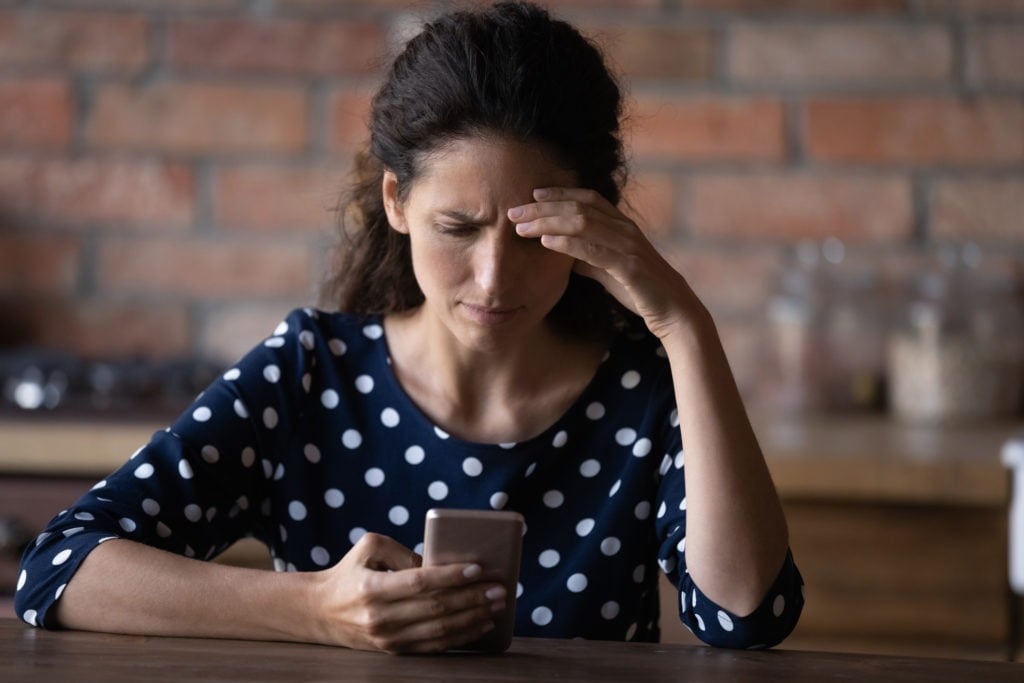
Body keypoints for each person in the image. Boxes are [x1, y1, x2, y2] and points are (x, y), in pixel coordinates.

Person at [14, 1, 802, 653]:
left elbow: (744, 614)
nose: (493, 279)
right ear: (397, 202)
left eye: (532, 235)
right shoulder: (311, 372)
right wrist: (315, 607)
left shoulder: (645, 388)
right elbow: (58, 568)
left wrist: (682, 321)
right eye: (457, 227)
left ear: (592, 218)